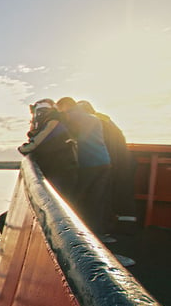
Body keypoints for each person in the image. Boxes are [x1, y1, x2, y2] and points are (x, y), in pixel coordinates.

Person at [77, 100, 136, 234]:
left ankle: (102, 231)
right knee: (120, 194)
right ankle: (124, 230)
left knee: (101, 196)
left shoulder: (94, 121)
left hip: (111, 163)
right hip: (122, 162)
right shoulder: (105, 119)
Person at [56, 97, 112, 235]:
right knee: (97, 198)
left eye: (60, 108)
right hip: (104, 161)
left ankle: (73, 232)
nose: (60, 111)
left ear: (66, 106)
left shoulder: (71, 115)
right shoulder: (94, 118)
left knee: (78, 197)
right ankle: (98, 232)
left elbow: (68, 134)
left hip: (89, 163)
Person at [18, 98, 78, 201]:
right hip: (58, 166)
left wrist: (22, 148)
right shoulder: (54, 121)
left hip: (60, 168)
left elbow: (34, 144)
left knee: (60, 198)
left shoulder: (52, 123)